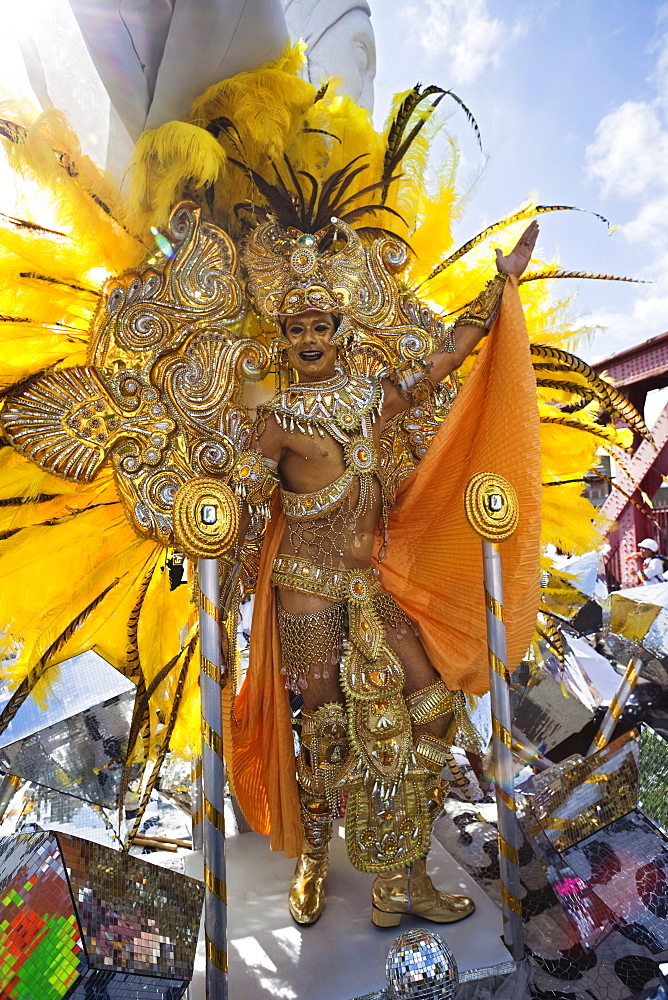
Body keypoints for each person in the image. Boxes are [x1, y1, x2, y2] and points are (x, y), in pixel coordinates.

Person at [227, 215, 539, 926]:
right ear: (282, 339)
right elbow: (247, 501)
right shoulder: (273, 417)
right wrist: (222, 507)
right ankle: (312, 857)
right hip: (305, 591)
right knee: (326, 732)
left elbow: (445, 358)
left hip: (374, 581)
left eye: (321, 325)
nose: (309, 338)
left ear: (342, 331)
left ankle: (403, 876)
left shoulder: (374, 398)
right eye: (296, 327)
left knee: (430, 710)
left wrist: (502, 283)